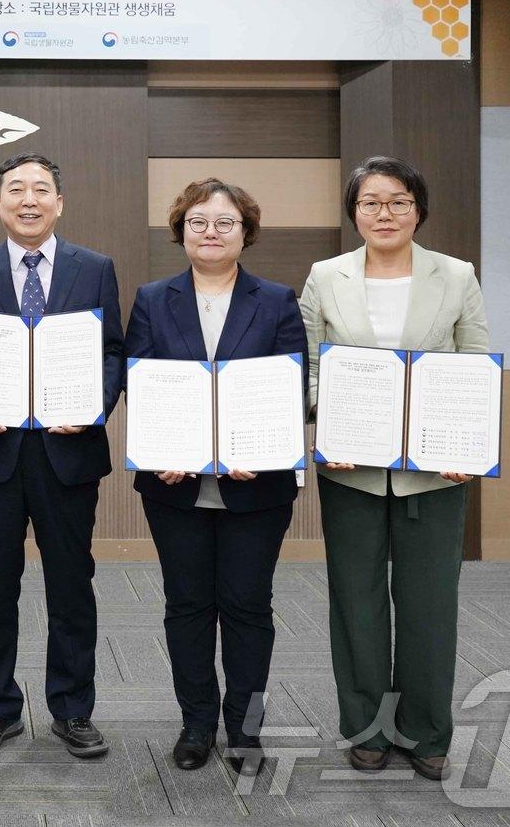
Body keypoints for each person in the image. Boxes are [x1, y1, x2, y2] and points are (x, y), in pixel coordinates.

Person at [301, 155, 489, 781]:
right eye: (370, 202)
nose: (384, 213)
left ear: (418, 208)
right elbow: (309, 370)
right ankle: (367, 727)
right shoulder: (325, 276)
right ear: (354, 212)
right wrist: (328, 420)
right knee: (355, 602)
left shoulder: (456, 275)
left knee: (430, 603)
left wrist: (467, 445)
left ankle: (427, 730)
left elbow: (475, 365)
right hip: (351, 471)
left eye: (398, 201)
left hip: (434, 474)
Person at [0, 152, 123, 759]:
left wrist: (91, 405)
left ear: (59, 202)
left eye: (41, 189)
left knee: (72, 584)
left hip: (68, 453)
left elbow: (112, 355)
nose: (28, 199)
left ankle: (73, 709)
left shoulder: (95, 269)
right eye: (15, 189)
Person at [124, 179, 307, 775]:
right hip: (175, 484)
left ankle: (245, 729)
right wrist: (160, 448)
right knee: (187, 604)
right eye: (198, 221)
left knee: (249, 605)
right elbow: (140, 382)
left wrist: (267, 445)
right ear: (181, 230)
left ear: (245, 232)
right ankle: (197, 723)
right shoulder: (153, 298)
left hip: (257, 485)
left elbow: (289, 387)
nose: (211, 232)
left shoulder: (277, 300)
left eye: (224, 222)